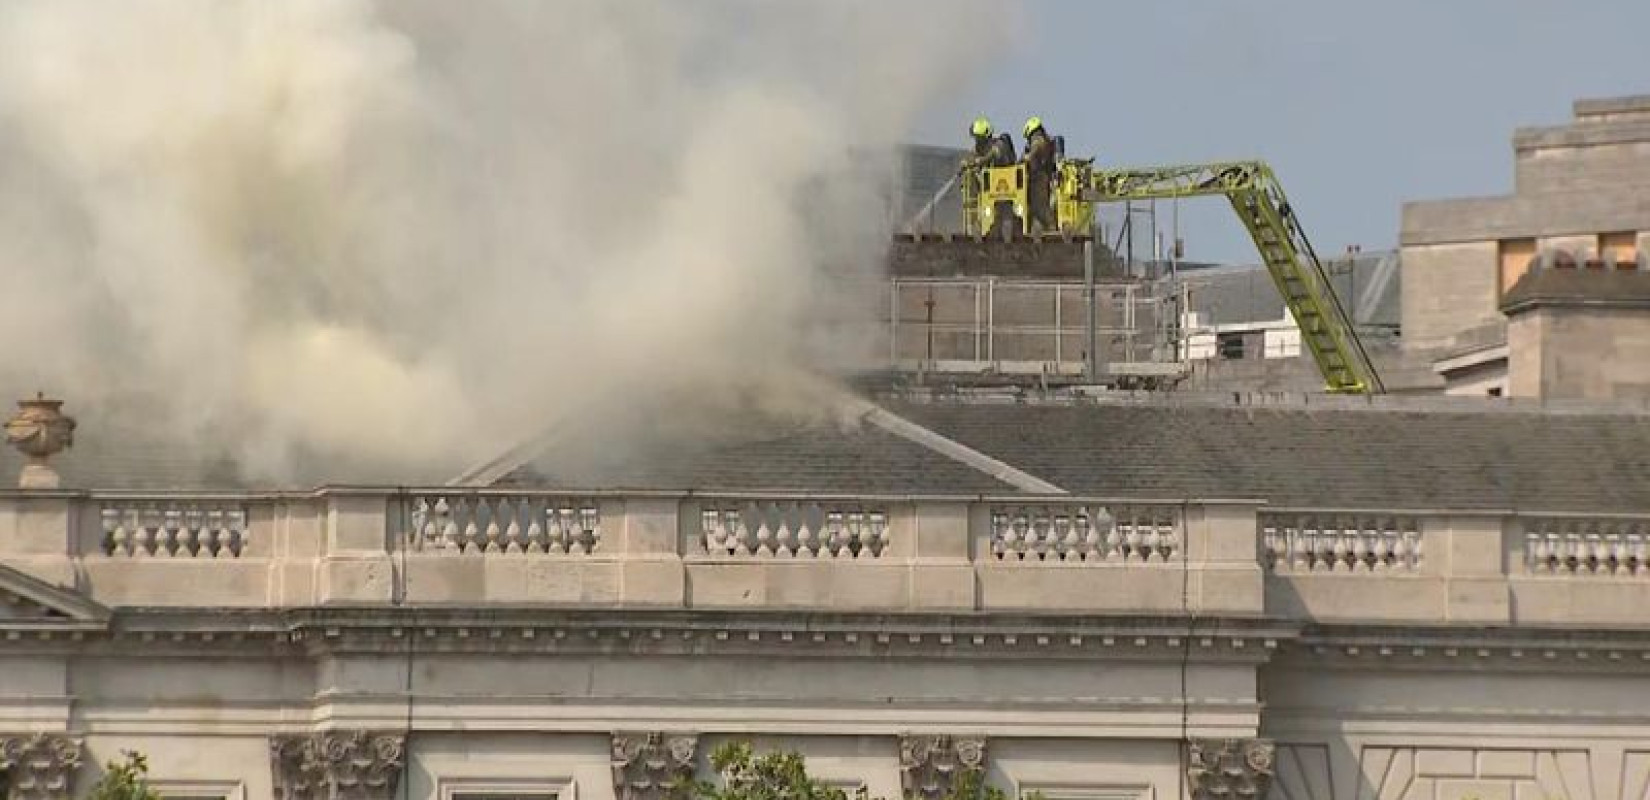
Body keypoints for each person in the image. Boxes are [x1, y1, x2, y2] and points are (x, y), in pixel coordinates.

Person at [1021, 116, 1058, 233]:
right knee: (1035, 207)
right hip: (1040, 177)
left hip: (1039, 178)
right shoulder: (1045, 140)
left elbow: (1032, 154)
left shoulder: (1038, 141)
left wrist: (1025, 158)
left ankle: (1052, 230)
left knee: (1040, 207)